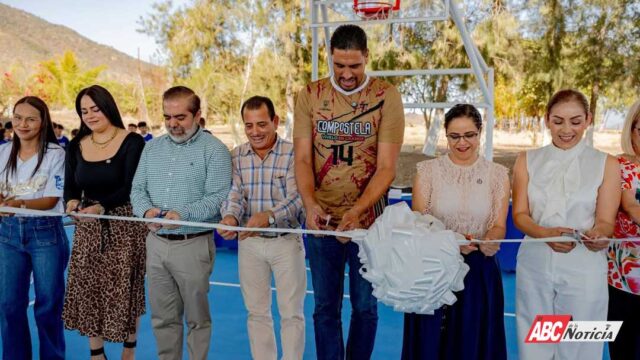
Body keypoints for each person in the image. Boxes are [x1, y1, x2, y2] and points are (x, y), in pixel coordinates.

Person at [294, 24, 405, 359]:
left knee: (365, 307)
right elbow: (301, 158)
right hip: (321, 223)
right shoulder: (310, 95)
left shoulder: (387, 96)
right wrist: (310, 204)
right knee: (324, 308)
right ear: (330, 57)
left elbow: (386, 167)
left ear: (367, 57)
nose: (345, 74)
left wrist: (357, 212)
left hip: (368, 224)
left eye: (354, 66)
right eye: (338, 65)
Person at [513, 89, 620, 360]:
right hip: (535, 261)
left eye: (575, 121)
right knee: (537, 340)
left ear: (588, 120)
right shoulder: (526, 160)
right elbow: (521, 214)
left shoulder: (605, 163)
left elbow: (606, 221)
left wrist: (600, 235)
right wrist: (543, 233)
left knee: (582, 338)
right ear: (547, 119)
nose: (566, 129)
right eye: (558, 120)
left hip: (585, 264)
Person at [130, 85, 231, 360]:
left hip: (193, 245)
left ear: (198, 115)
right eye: (167, 117)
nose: (173, 124)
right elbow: (137, 189)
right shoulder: (151, 149)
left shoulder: (215, 150)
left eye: (180, 117)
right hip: (156, 244)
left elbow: (219, 196)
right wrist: (146, 212)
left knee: (197, 319)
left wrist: (182, 214)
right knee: (163, 318)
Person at [402, 104, 509, 360]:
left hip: (478, 274)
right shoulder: (427, 172)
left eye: (469, 135)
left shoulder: (498, 174)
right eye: (454, 136)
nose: (462, 142)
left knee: (473, 343)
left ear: (480, 132)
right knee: (430, 344)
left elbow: (498, 225)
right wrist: (451, 243)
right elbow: (420, 222)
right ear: (446, 135)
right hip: (432, 270)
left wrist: (493, 240)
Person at [62, 85, 147, 360]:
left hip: (124, 227)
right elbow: (71, 187)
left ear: (108, 107)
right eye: (84, 111)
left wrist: (103, 206)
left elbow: (131, 186)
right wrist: (73, 203)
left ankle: (128, 350)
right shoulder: (75, 145)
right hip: (88, 229)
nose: (89, 115)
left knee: (126, 289)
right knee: (89, 290)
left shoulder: (132, 142)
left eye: (95, 109)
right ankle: (96, 353)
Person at [219, 96, 306, 360]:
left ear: (275, 121)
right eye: (249, 125)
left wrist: (268, 217)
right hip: (250, 244)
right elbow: (233, 195)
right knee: (257, 312)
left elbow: (299, 196)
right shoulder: (236, 156)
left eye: (261, 124)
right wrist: (231, 218)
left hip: (286, 242)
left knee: (291, 313)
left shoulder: (294, 153)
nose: (255, 131)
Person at [0, 96, 68, 360]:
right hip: (7, 234)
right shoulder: (3, 151)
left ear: (43, 122)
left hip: (45, 233)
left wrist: (16, 203)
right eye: (18, 118)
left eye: (31, 119)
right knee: (8, 305)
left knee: (48, 305)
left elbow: (51, 199)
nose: (23, 124)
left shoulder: (56, 153)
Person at [608, 99, 640, 360]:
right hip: (624, 278)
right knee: (625, 347)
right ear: (631, 129)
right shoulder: (621, 166)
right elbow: (631, 206)